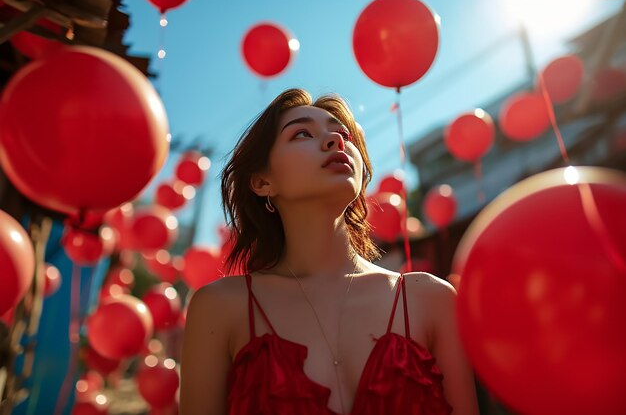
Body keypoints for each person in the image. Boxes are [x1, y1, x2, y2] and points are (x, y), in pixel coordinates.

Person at [179, 88, 480, 415]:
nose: (336, 141)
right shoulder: (220, 309)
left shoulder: (429, 299)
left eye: (344, 134)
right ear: (262, 182)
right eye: (302, 133)